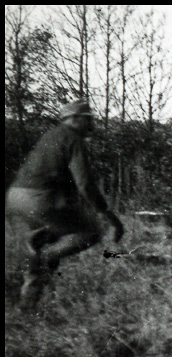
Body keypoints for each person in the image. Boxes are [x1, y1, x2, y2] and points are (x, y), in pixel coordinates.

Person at [6, 99, 124, 307]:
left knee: (43, 241)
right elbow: (85, 183)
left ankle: (28, 303)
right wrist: (109, 215)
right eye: (88, 119)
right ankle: (43, 257)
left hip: (15, 198)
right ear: (75, 119)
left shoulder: (51, 135)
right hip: (38, 199)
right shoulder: (73, 139)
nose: (91, 124)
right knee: (91, 232)